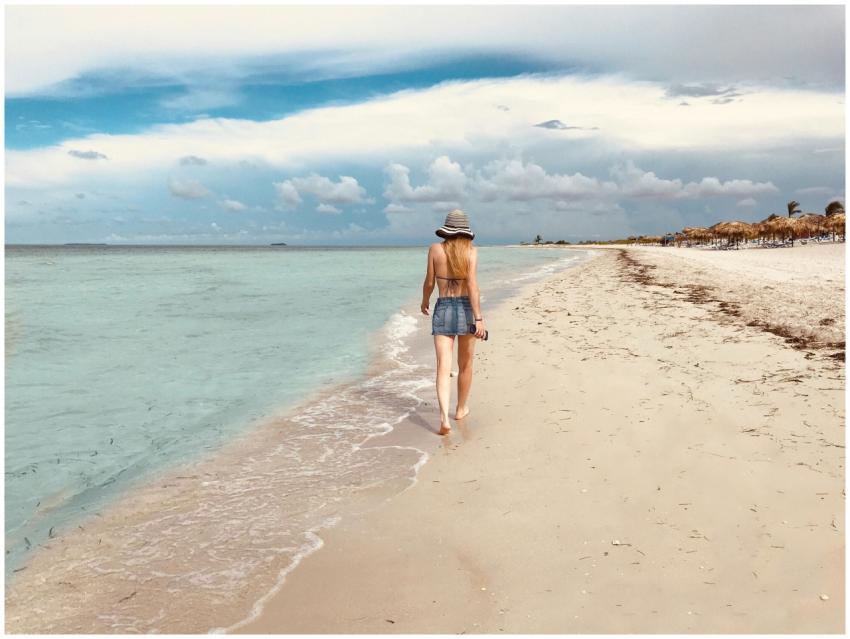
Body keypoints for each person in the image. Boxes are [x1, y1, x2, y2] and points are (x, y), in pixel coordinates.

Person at [420, 209, 486, 435]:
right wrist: (479, 319)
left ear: (446, 229)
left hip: (444, 307)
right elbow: (473, 286)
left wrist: (425, 301)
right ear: (466, 231)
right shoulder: (471, 252)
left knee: (443, 367)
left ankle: (443, 418)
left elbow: (429, 282)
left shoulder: (435, 249)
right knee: (466, 364)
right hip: (467, 308)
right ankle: (460, 409)